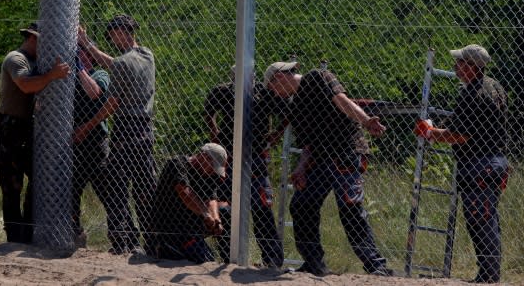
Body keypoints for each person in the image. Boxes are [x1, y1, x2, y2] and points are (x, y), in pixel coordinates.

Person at [264, 61, 393, 277]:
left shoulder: (318, 77)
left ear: (280, 76)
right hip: (320, 159)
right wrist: (301, 168)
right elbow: (308, 144)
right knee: (301, 204)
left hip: (346, 151)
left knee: (349, 208)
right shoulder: (294, 107)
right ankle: (314, 263)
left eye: (273, 88)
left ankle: (376, 265)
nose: (275, 94)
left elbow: (341, 100)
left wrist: (366, 120)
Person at [414, 44, 509, 284]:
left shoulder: (473, 94)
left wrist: (430, 132)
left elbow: (460, 134)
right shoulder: (493, 86)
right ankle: (489, 273)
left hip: (480, 164)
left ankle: (489, 276)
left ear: (471, 67)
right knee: (486, 219)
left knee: (480, 220)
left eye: (460, 63)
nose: (455, 66)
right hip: (492, 161)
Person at [76, 14, 156, 255]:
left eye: (113, 35)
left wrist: (86, 127)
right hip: (145, 130)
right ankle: (152, 240)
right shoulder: (147, 55)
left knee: (116, 185)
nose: (112, 40)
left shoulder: (122, 64)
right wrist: (87, 42)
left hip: (125, 129)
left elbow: (112, 103)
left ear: (122, 32)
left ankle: (122, 242)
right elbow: (116, 63)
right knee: (144, 187)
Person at [203, 66, 286, 268]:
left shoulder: (264, 92)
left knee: (261, 208)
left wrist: (277, 133)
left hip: (254, 155)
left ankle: (272, 260)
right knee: (224, 206)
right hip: (228, 157)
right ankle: (228, 255)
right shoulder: (223, 91)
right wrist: (214, 130)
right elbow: (207, 111)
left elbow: (287, 112)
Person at [0, 22, 71, 244]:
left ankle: (27, 234)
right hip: (10, 127)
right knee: (11, 185)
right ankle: (15, 238)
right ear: (32, 38)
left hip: (29, 127)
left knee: (38, 178)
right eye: (43, 42)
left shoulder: (38, 61)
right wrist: (52, 75)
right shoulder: (16, 59)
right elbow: (26, 85)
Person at [144, 143, 227, 263]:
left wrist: (216, 219)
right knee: (204, 259)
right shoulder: (177, 164)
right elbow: (184, 193)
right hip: (170, 229)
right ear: (204, 157)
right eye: (213, 166)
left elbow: (211, 198)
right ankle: (160, 247)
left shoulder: (207, 174)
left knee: (225, 211)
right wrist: (205, 214)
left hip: (191, 229)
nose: (214, 171)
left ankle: (229, 261)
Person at [70, 47, 110, 248]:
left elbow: (94, 92)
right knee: (71, 191)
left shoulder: (99, 74)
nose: (78, 56)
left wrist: (79, 67)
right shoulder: (70, 77)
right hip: (74, 145)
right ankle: (76, 234)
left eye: (82, 53)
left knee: (107, 191)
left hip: (95, 143)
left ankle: (123, 237)